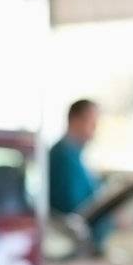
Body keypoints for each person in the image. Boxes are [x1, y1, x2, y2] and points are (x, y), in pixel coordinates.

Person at [49, 98, 100, 230]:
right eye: (92, 123)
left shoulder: (75, 155)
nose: (95, 129)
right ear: (76, 121)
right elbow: (75, 209)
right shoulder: (62, 157)